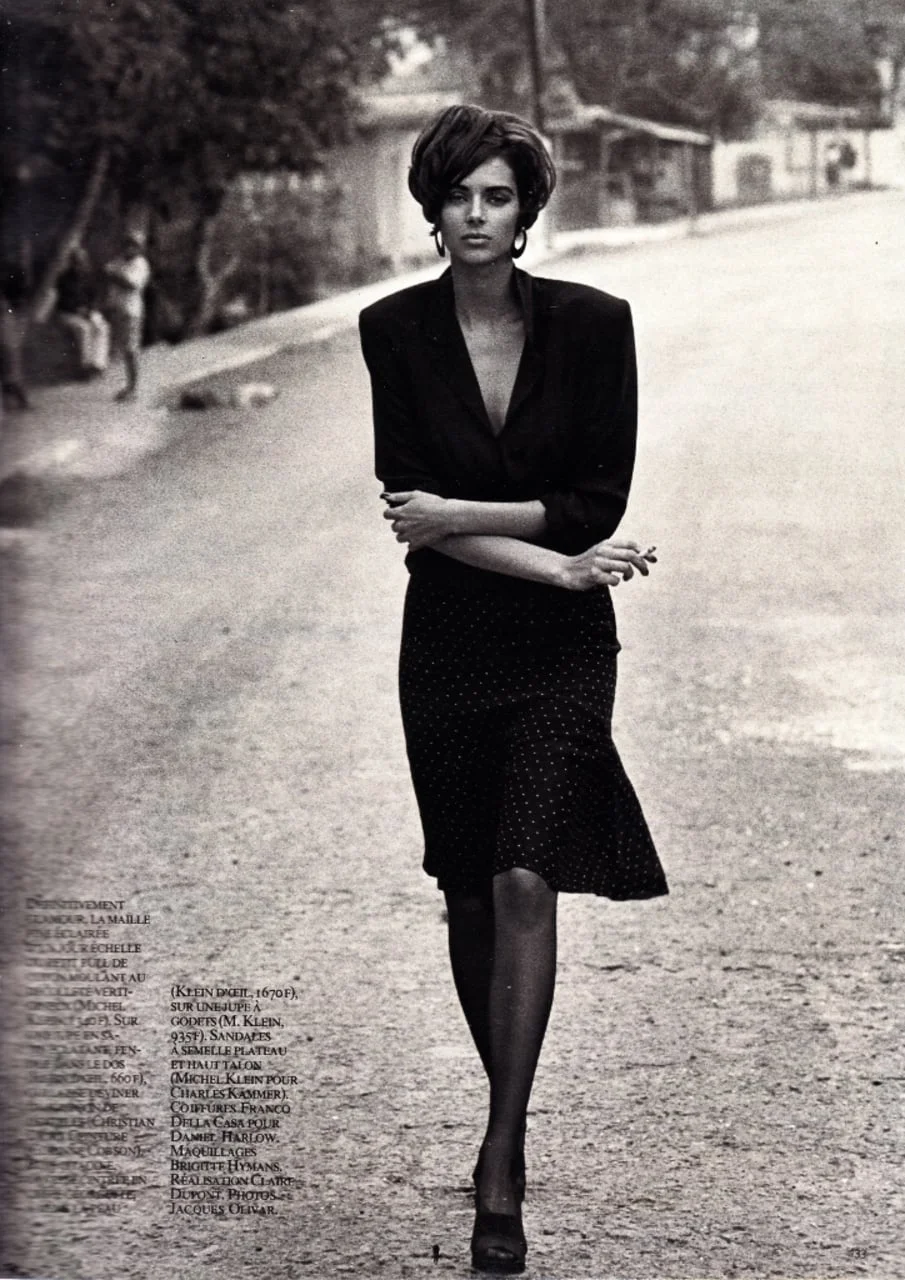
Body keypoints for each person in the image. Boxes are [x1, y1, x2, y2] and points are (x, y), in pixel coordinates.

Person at [359, 104, 668, 1274]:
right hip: (449, 640)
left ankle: (500, 1152)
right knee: (467, 891)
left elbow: (594, 500)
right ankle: (510, 1102)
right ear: (432, 211)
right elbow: (413, 518)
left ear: (526, 211)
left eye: (497, 196)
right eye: (458, 197)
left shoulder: (595, 324)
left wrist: (469, 518)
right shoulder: (392, 329)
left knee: (525, 871)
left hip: (560, 649)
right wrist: (549, 559)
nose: (476, 216)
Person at [104, 231, 150, 401]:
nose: (129, 249)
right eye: (127, 245)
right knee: (120, 349)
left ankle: (133, 388)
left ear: (139, 248)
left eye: (133, 246)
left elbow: (132, 284)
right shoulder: (119, 261)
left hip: (131, 311)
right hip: (116, 308)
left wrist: (114, 275)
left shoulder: (141, 264)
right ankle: (126, 386)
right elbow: (107, 274)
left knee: (131, 349)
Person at [56, 245, 110, 379]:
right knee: (84, 329)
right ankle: (85, 367)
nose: (79, 264)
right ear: (71, 262)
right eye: (76, 261)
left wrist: (90, 309)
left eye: (82, 261)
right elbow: (63, 301)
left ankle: (98, 365)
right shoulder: (63, 279)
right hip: (68, 313)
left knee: (102, 327)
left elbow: (94, 297)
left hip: (86, 312)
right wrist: (78, 310)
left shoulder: (88, 277)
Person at [1, 265, 31, 411]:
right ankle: (12, 385)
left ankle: (13, 384)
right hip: (6, 314)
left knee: (11, 349)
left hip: (7, 314)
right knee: (10, 349)